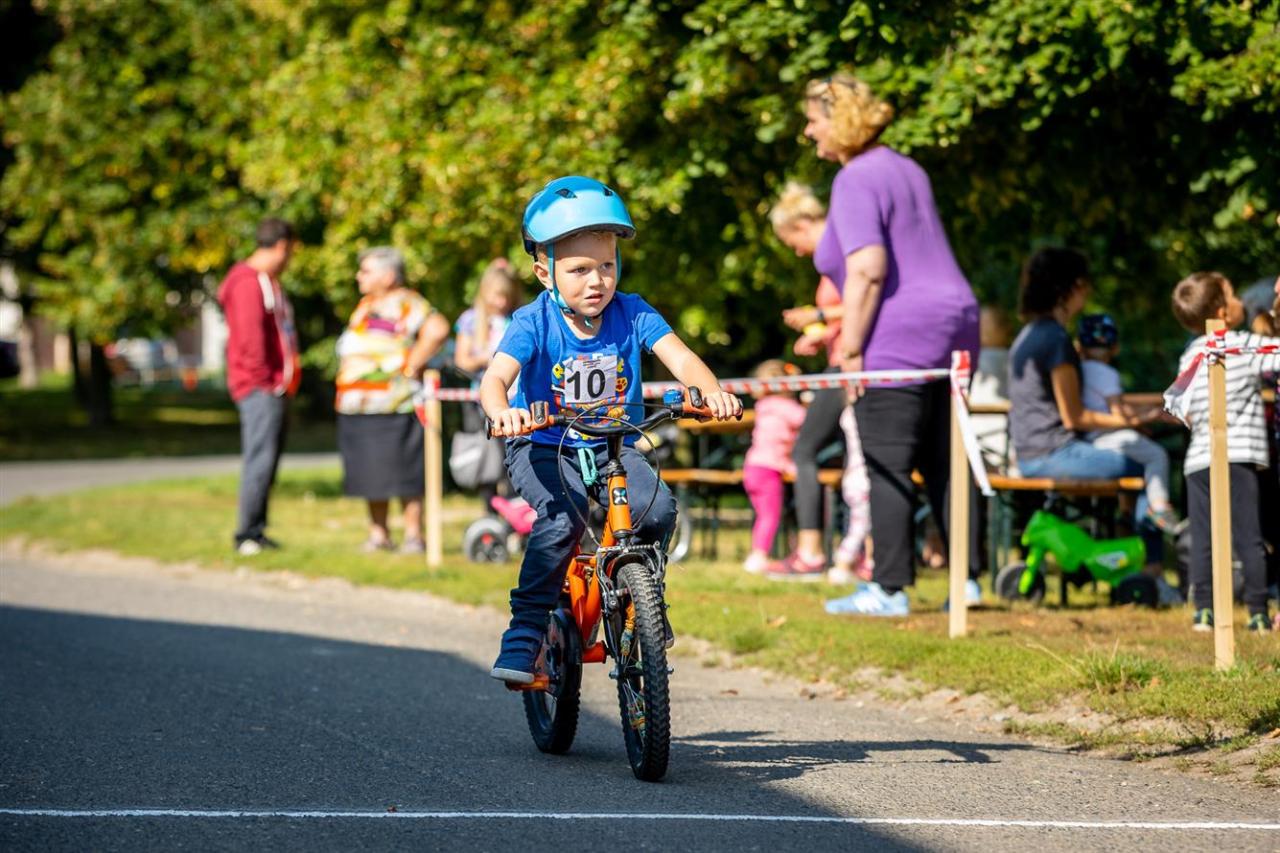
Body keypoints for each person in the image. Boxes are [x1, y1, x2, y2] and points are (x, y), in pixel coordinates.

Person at [481, 176, 742, 684]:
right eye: (579, 270)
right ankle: (526, 632)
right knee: (561, 522)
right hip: (544, 444)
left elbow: (682, 358)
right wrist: (502, 412)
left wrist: (711, 392)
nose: (597, 280)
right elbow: (496, 378)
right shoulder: (532, 321)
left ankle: (641, 601)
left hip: (613, 444)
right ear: (544, 272)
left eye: (607, 265)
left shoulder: (633, 311)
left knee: (656, 509)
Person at [801, 72, 981, 615]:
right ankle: (966, 581)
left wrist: (852, 349)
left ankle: (889, 588)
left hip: (899, 331)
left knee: (886, 460)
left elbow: (868, 268)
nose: (808, 132)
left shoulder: (855, 178)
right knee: (945, 458)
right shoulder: (907, 168)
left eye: (813, 121)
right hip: (956, 321)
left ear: (839, 121)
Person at [1008, 249, 1175, 600]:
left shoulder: (1028, 335)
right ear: (1068, 289)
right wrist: (1132, 420)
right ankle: (1150, 571)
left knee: (1138, 461)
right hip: (1055, 453)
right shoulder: (1056, 340)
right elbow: (1075, 417)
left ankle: (1129, 560)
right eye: (1083, 285)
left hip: (1030, 451)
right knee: (1148, 466)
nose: (1087, 292)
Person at [1168, 272, 1280, 632]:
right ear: (1222, 312)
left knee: (1204, 537)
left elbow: (1184, 407)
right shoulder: (1242, 345)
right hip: (1239, 456)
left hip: (1198, 461)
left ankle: (1203, 610)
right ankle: (1258, 611)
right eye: (1233, 295)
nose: (1240, 302)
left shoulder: (1190, 354)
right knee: (1249, 535)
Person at [764, 182, 861, 583]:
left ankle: (810, 550)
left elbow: (861, 301)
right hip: (842, 361)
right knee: (855, 455)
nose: (799, 252)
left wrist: (816, 317)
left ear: (802, 224)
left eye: (794, 242)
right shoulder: (837, 253)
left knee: (805, 450)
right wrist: (821, 332)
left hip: (848, 367)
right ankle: (858, 552)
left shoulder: (837, 251)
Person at [334, 247, 450, 553]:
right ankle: (379, 534)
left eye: (366, 271)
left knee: (404, 472)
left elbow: (438, 329)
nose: (358, 276)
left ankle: (413, 535)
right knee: (370, 474)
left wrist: (411, 366)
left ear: (387, 276)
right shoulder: (366, 305)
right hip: (358, 407)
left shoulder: (407, 302)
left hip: (394, 404)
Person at [217, 217, 301, 556]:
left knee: (269, 459)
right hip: (259, 386)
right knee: (260, 459)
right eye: (291, 251)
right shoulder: (248, 284)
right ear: (281, 246)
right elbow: (250, 340)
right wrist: (265, 382)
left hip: (274, 386)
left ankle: (258, 529)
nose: (290, 259)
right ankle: (246, 534)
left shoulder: (267, 282)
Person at [1078, 313, 1182, 532]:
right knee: (1156, 455)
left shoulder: (1077, 370)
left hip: (1085, 440)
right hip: (1104, 436)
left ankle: (1126, 514)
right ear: (1115, 348)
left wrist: (1142, 418)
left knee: (1137, 452)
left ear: (1080, 346)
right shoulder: (1107, 373)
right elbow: (1119, 414)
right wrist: (1151, 415)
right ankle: (1158, 506)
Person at [741, 360, 808, 575]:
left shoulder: (764, 406)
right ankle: (759, 556)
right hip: (769, 469)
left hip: (753, 467)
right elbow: (807, 420)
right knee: (770, 516)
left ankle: (760, 553)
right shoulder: (785, 406)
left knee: (763, 515)